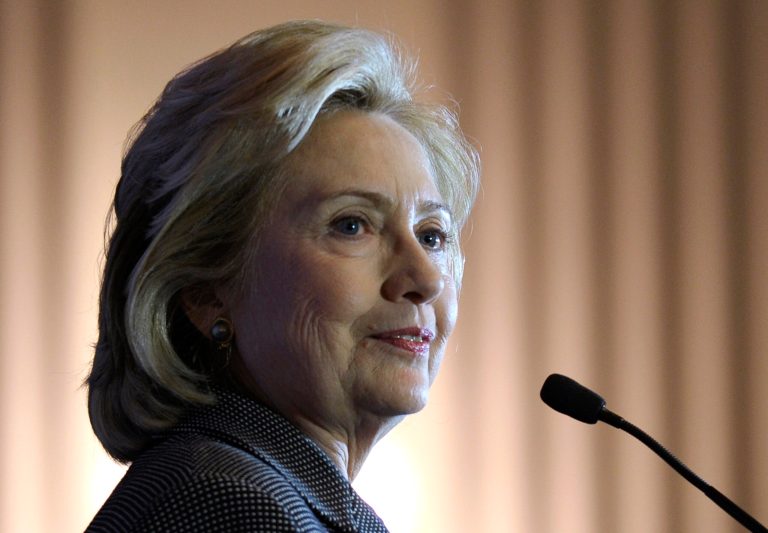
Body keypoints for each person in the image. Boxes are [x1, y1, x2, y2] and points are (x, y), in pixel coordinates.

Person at [86, 20, 479, 532]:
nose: (424, 277)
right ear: (207, 291)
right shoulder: (230, 506)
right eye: (352, 225)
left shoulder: (257, 487)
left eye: (432, 235)